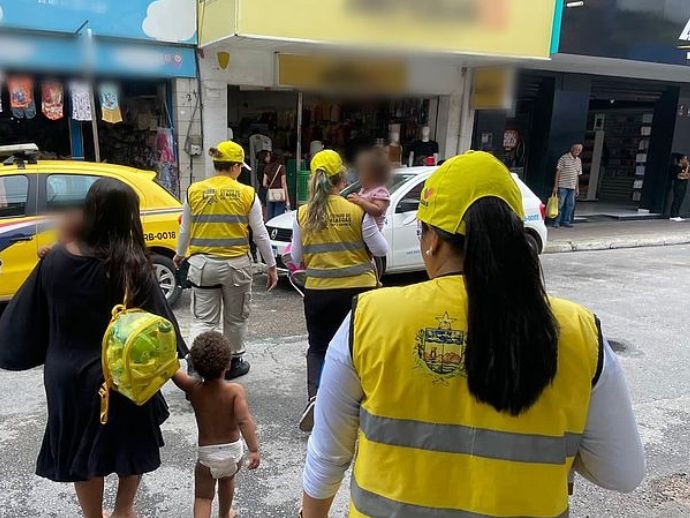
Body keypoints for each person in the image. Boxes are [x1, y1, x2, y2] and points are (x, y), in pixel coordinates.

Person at [301, 151, 644, 518]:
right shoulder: (578, 330)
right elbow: (623, 474)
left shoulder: (369, 318)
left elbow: (327, 458)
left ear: (431, 240)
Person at [0, 178, 187, 518]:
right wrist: (183, 377)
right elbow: (162, 333)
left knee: (83, 447)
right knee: (131, 440)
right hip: (124, 376)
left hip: (67, 375)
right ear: (128, 217)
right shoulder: (134, 267)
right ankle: (124, 510)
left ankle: (93, 516)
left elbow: (28, 316)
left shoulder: (54, 260)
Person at [290, 149, 388, 432]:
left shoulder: (303, 214)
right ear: (342, 179)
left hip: (319, 292)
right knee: (358, 349)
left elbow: (296, 257)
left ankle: (315, 397)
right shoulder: (357, 210)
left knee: (319, 347)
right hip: (359, 293)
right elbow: (381, 249)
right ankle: (360, 402)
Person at [175, 141, 279, 380]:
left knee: (203, 320)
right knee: (235, 318)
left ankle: (196, 364)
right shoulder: (246, 193)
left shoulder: (194, 190)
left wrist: (180, 254)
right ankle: (232, 364)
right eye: (239, 166)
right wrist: (271, 266)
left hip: (203, 266)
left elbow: (185, 231)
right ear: (234, 166)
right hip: (236, 268)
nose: (240, 170)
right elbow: (260, 234)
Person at [172, 331, 260, 518]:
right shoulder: (235, 391)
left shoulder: (194, 389)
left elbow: (172, 372)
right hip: (232, 454)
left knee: (203, 497)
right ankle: (224, 514)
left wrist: (165, 359)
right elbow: (245, 421)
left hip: (207, 457)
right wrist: (254, 449)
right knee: (227, 482)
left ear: (195, 365)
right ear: (228, 364)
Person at [348, 148, 392, 280]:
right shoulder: (364, 189)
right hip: (360, 232)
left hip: (373, 234)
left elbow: (377, 210)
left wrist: (360, 201)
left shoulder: (380, 191)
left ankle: (376, 279)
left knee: (372, 261)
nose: (359, 177)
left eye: (363, 173)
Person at [553, 143, 583, 228]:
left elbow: (577, 175)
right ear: (572, 149)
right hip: (563, 185)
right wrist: (555, 186)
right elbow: (558, 172)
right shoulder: (564, 158)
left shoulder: (578, 160)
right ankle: (557, 222)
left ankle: (566, 221)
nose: (578, 151)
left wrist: (577, 188)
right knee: (560, 204)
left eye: (579, 150)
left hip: (572, 187)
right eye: (576, 149)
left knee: (570, 205)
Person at [263, 152, 291, 220]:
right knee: (278, 217)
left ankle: (270, 229)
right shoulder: (281, 167)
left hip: (271, 193)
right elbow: (283, 184)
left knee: (270, 216)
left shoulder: (267, 167)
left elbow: (264, 183)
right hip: (280, 194)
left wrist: (270, 187)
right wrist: (287, 200)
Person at [669, 153, 689, 221]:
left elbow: (687, 176)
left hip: (683, 186)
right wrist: (687, 167)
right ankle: (673, 215)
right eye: (685, 159)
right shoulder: (676, 168)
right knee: (676, 200)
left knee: (680, 200)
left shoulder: (684, 168)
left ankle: (677, 214)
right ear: (680, 160)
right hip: (678, 186)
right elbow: (682, 176)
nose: (686, 161)